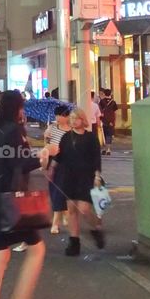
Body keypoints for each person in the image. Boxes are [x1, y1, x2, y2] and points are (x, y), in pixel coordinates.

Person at [0, 89, 46, 299]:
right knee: (37, 249)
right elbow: (21, 162)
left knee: (1, 254)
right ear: (17, 108)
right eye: (22, 106)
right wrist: (44, 155)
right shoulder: (14, 131)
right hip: (12, 200)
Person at [48, 107, 105, 256]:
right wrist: (52, 167)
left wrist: (97, 175)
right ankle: (74, 242)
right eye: (71, 118)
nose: (73, 121)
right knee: (71, 210)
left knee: (84, 209)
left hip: (86, 176)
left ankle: (96, 228)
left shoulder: (91, 137)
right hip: (68, 176)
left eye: (76, 118)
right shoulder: (66, 137)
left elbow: (96, 158)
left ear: (83, 119)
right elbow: (59, 155)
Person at [43, 105, 71, 234]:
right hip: (52, 161)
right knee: (54, 190)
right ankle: (63, 213)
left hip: (66, 163)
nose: (57, 118)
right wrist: (46, 138)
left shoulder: (71, 130)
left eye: (60, 115)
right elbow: (46, 145)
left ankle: (56, 222)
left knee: (60, 191)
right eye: (56, 115)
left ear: (66, 116)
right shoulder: (52, 127)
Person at [99, 88, 117, 156]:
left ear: (104, 94)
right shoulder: (113, 102)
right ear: (110, 94)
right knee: (109, 135)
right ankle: (108, 149)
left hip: (103, 120)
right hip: (111, 121)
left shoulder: (101, 102)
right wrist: (113, 121)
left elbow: (100, 111)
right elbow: (115, 112)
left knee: (104, 135)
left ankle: (104, 148)